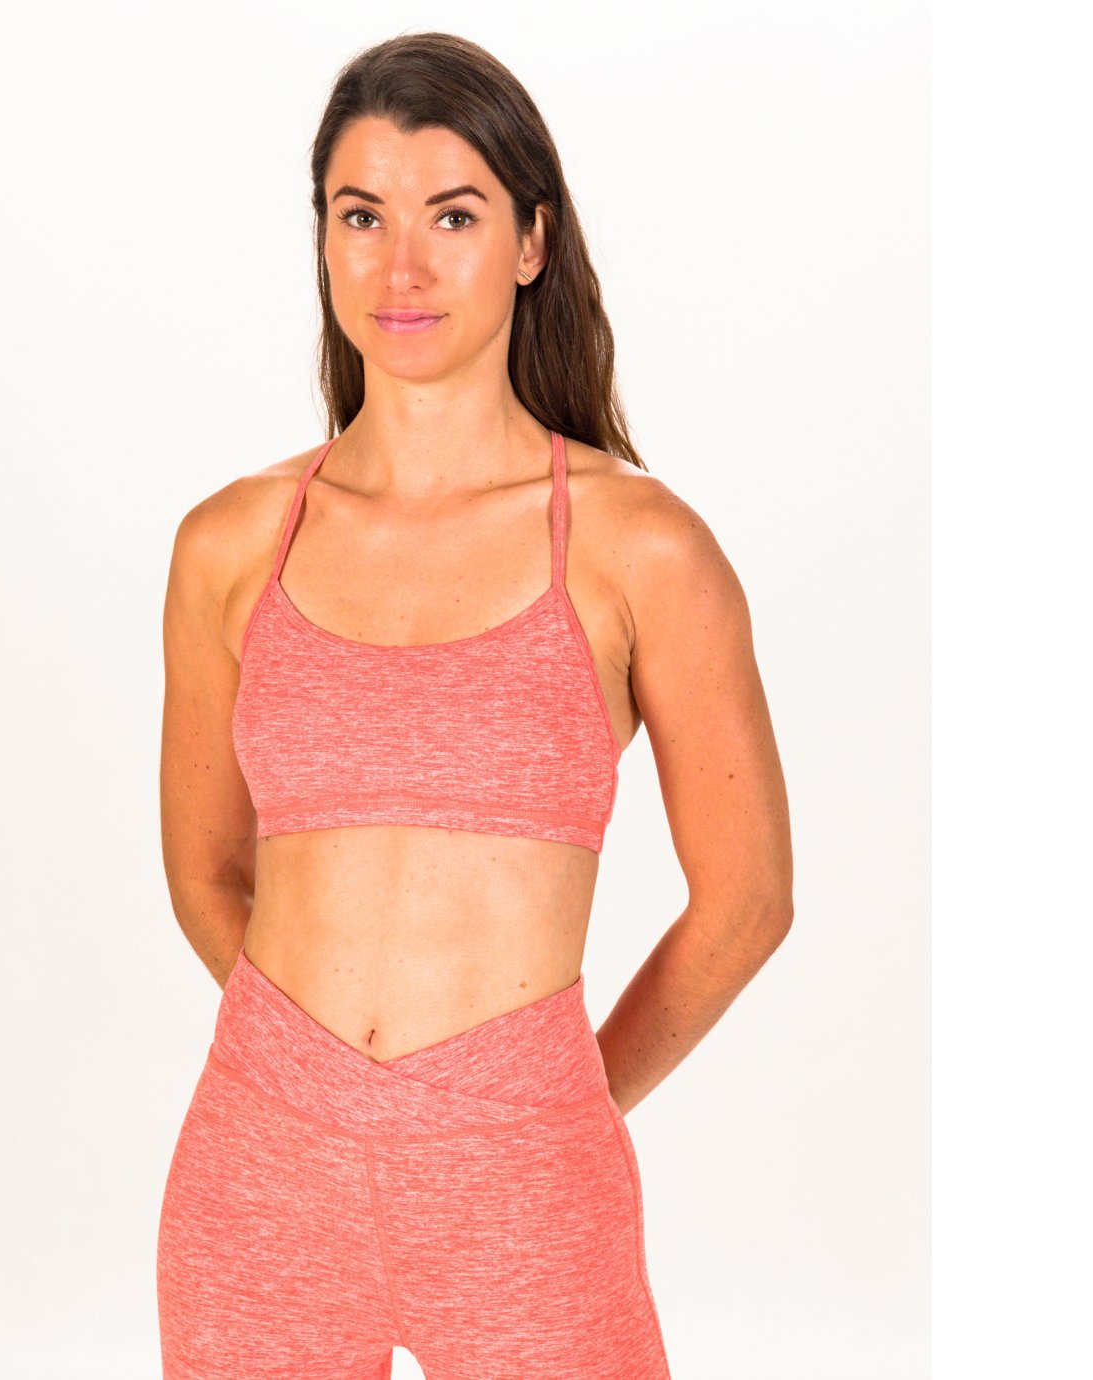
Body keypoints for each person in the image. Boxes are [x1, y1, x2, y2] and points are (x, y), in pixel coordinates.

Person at [155, 32, 793, 1380]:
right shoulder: (229, 545)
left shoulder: (639, 549)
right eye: (361, 216)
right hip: (260, 1173)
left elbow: (747, 902)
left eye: (452, 216)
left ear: (530, 241)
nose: (402, 266)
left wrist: (542, 1099)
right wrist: (316, 1077)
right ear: (322, 240)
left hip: (528, 1180)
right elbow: (206, 868)